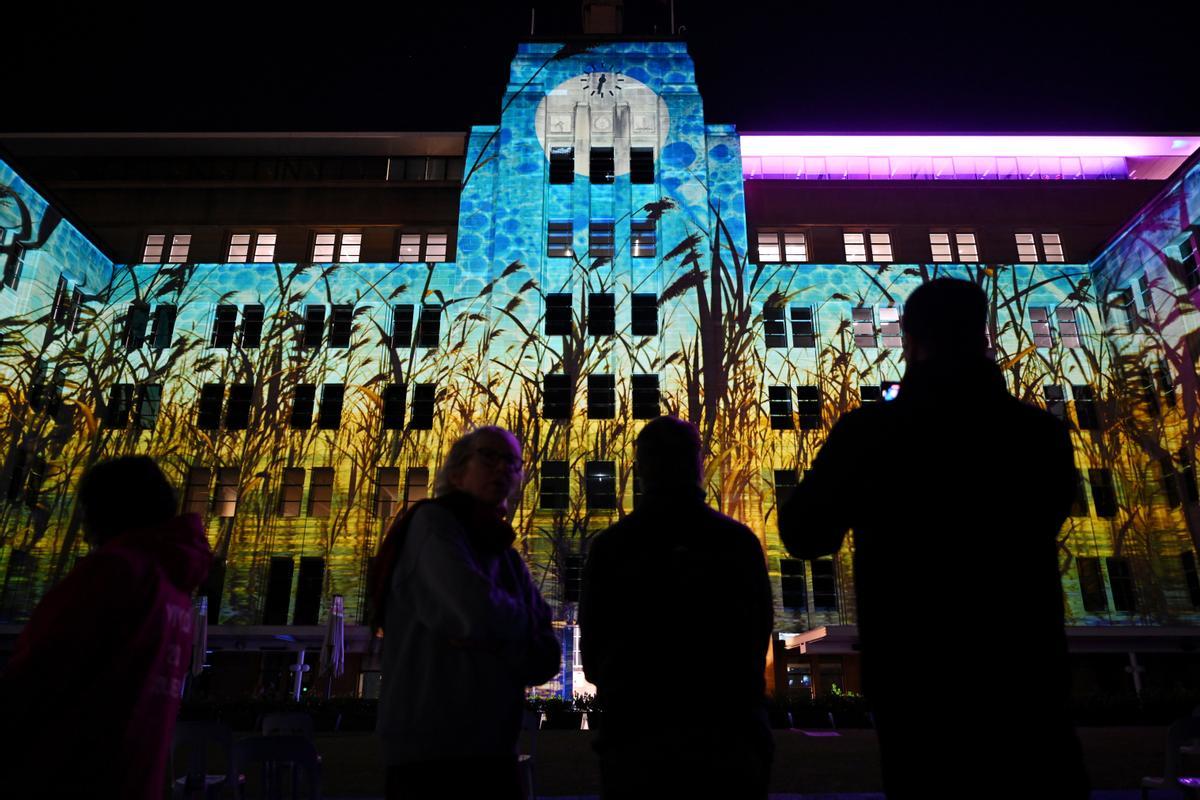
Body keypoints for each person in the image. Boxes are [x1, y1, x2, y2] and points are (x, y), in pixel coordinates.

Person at [778, 278, 1089, 798]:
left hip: (917, 676)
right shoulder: (1038, 434)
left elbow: (805, 534)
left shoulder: (873, 433)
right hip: (1022, 668)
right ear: (983, 335)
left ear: (911, 339)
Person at [580, 416, 775, 798]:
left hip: (637, 737)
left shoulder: (611, 548)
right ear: (698, 465)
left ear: (640, 470)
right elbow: (755, 637)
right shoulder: (736, 543)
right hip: (726, 736)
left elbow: (594, 647)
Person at [0, 455, 212, 799]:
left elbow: (35, 678)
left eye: (87, 508)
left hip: (68, 778)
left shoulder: (116, 572)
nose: (82, 526)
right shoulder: (177, 594)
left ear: (109, 508)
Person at [371, 425, 560, 800]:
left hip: (493, 749)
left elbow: (548, 655)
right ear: (456, 472)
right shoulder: (432, 524)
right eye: (489, 456)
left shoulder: (505, 553)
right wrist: (515, 630)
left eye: (513, 462)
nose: (503, 468)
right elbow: (475, 612)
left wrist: (488, 634)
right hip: (429, 756)